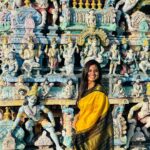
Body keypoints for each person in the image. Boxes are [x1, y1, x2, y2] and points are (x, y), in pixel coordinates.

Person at [73, 60, 113, 150]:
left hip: (92, 134)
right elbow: (83, 109)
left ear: (99, 73)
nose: (93, 73)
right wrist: (77, 117)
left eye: (96, 71)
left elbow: (96, 115)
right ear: (85, 72)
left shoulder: (99, 93)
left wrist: (79, 124)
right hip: (81, 130)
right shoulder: (83, 90)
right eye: (90, 70)